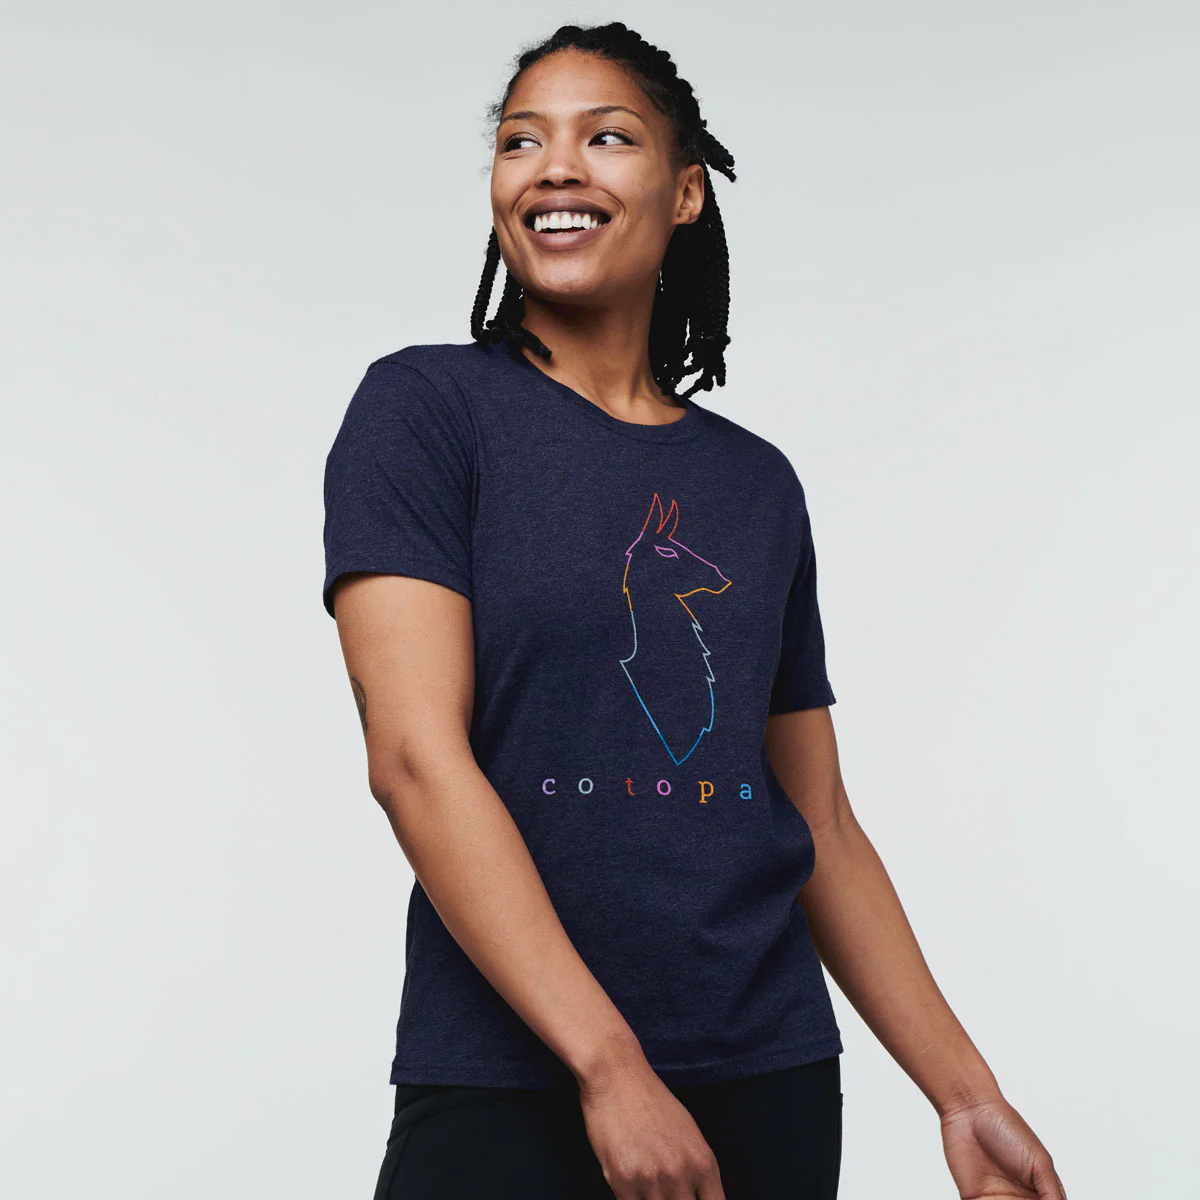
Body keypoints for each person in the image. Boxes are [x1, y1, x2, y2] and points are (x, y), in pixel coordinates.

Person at [321, 21, 1067, 1200]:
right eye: (521, 141)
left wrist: (964, 1094)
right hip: (516, 1082)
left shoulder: (755, 483)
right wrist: (611, 1066)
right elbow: (413, 759)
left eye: (605, 137)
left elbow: (817, 821)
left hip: (765, 1078)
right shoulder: (426, 411)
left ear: (684, 193)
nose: (554, 168)